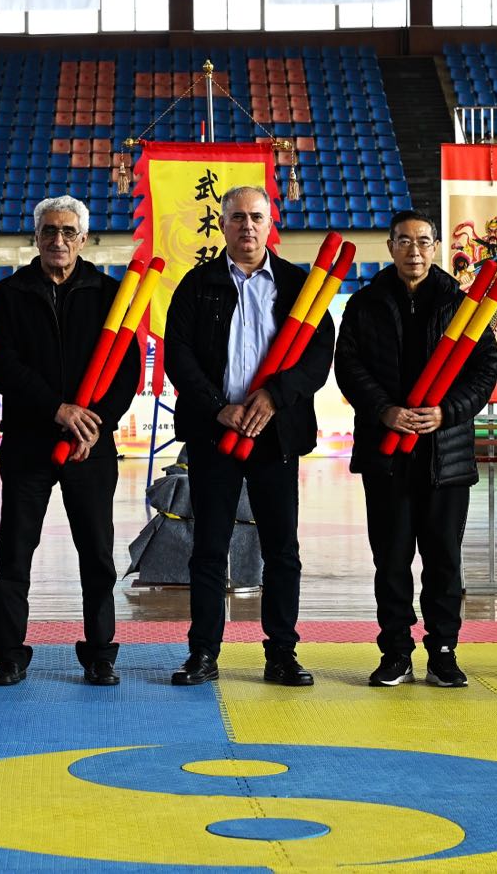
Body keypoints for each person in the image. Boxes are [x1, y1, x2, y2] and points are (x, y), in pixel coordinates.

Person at [163, 186, 334, 687]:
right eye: (237, 217)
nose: (247, 226)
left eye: (256, 217)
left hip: (274, 434)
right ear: (222, 225)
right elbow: (178, 356)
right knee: (209, 548)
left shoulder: (299, 286)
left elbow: (317, 356)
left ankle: (282, 652)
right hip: (215, 433)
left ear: (270, 222)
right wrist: (219, 408)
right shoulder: (197, 285)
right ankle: (203, 653)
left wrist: (275, 397)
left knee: (281, 550)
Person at [335, 210, 497, 688]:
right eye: (404, 241)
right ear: (390, 247)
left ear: (436, 247)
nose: (414, 250)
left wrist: (447, 412)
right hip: (386, 455)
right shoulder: (365, 304)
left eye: (424, 241)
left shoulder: (462, 305)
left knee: (444, 560)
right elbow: (349, 366)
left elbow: (485, 369)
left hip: (445, 457)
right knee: (390, 560)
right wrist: (384, 410)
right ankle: (395, 652)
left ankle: (443, 651)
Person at [0, 195, 140, 687]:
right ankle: (9, 654)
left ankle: (101, 653)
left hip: (90, 445)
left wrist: (95, 422)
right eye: (49, 230)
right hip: (29, 441)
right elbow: (3, 365)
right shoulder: (10, 293)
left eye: (68, 231)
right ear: (36, 237)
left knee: (96, 553)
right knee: (15, 552)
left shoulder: (110, 293)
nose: (58, 239)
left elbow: (127, 370)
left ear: (83, 239)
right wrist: (57, 409)